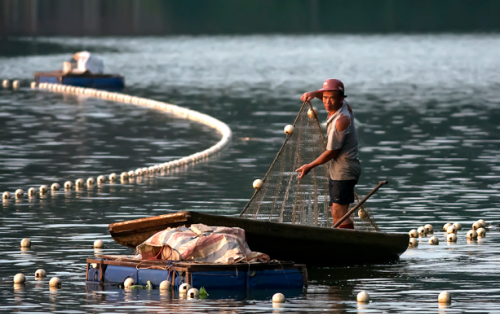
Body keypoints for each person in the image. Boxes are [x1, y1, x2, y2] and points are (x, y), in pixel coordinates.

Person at [295, 79, 361, 229]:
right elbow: (328, 96)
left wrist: (310, 166)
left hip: (345, 170)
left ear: (341, 99)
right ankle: (341, 241)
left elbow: (332, 152)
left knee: (339, 211)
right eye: (324, 98)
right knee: (336, 211)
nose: (327, 102)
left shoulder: (341, 120)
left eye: (332, 98)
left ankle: (347, 243)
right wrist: (314, 94)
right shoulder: (343, 106)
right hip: (338, 169)